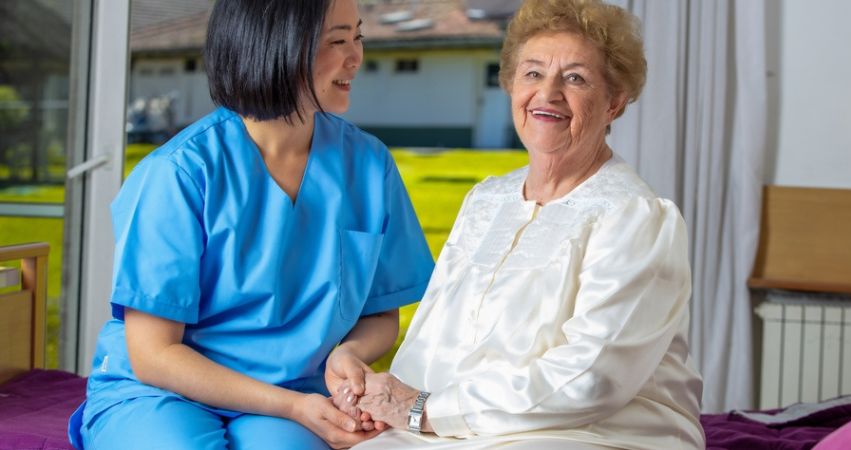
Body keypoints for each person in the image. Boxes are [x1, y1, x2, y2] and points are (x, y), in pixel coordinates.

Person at [332, 0, 705, 448]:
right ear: (510, 85)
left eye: (575, 78)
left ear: (614, 102)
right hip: (452, 424)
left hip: (591, 431)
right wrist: (387, 404)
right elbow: (433, 335)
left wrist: (425, 410)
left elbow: (593, 379)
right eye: (532, 73)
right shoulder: (487, 199)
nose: (548, 93)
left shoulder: (636, 218)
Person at [66, 0, 434, 448]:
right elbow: (155, 354)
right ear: (275, 46)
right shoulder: (181, 173)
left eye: (357, 37)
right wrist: (293, 407)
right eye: (337, 40)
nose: (355, 56)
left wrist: (349, 353)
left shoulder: (370, 166)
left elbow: (380, 313)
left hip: (295, 392)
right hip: (160, 392)